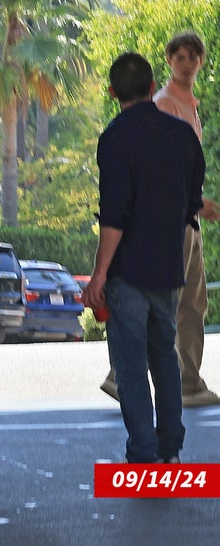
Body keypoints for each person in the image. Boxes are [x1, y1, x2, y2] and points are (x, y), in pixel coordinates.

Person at [82, 52, 204, 463]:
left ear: (113, 92)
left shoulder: (114, 139)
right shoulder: (183, 136)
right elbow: (192, 204)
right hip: (169, 266)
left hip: (127, 272)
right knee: (164, 356)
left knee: (131, 365)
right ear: (153, 88)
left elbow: (114, 216)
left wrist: (99, 275)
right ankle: (171, 447)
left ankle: (144, 452)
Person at [100, 31, 220, 408]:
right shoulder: (164, 104)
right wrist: (196, 203)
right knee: (164, 302)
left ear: (201, 62)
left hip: (185, 216)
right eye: (179, 57)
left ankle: (186, 379)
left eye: (193, 57)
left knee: (190, 303)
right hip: (172, 220)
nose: (186, 63)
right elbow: (163, 171)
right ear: (167, 63)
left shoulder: (187, 104)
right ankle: (128, 375)